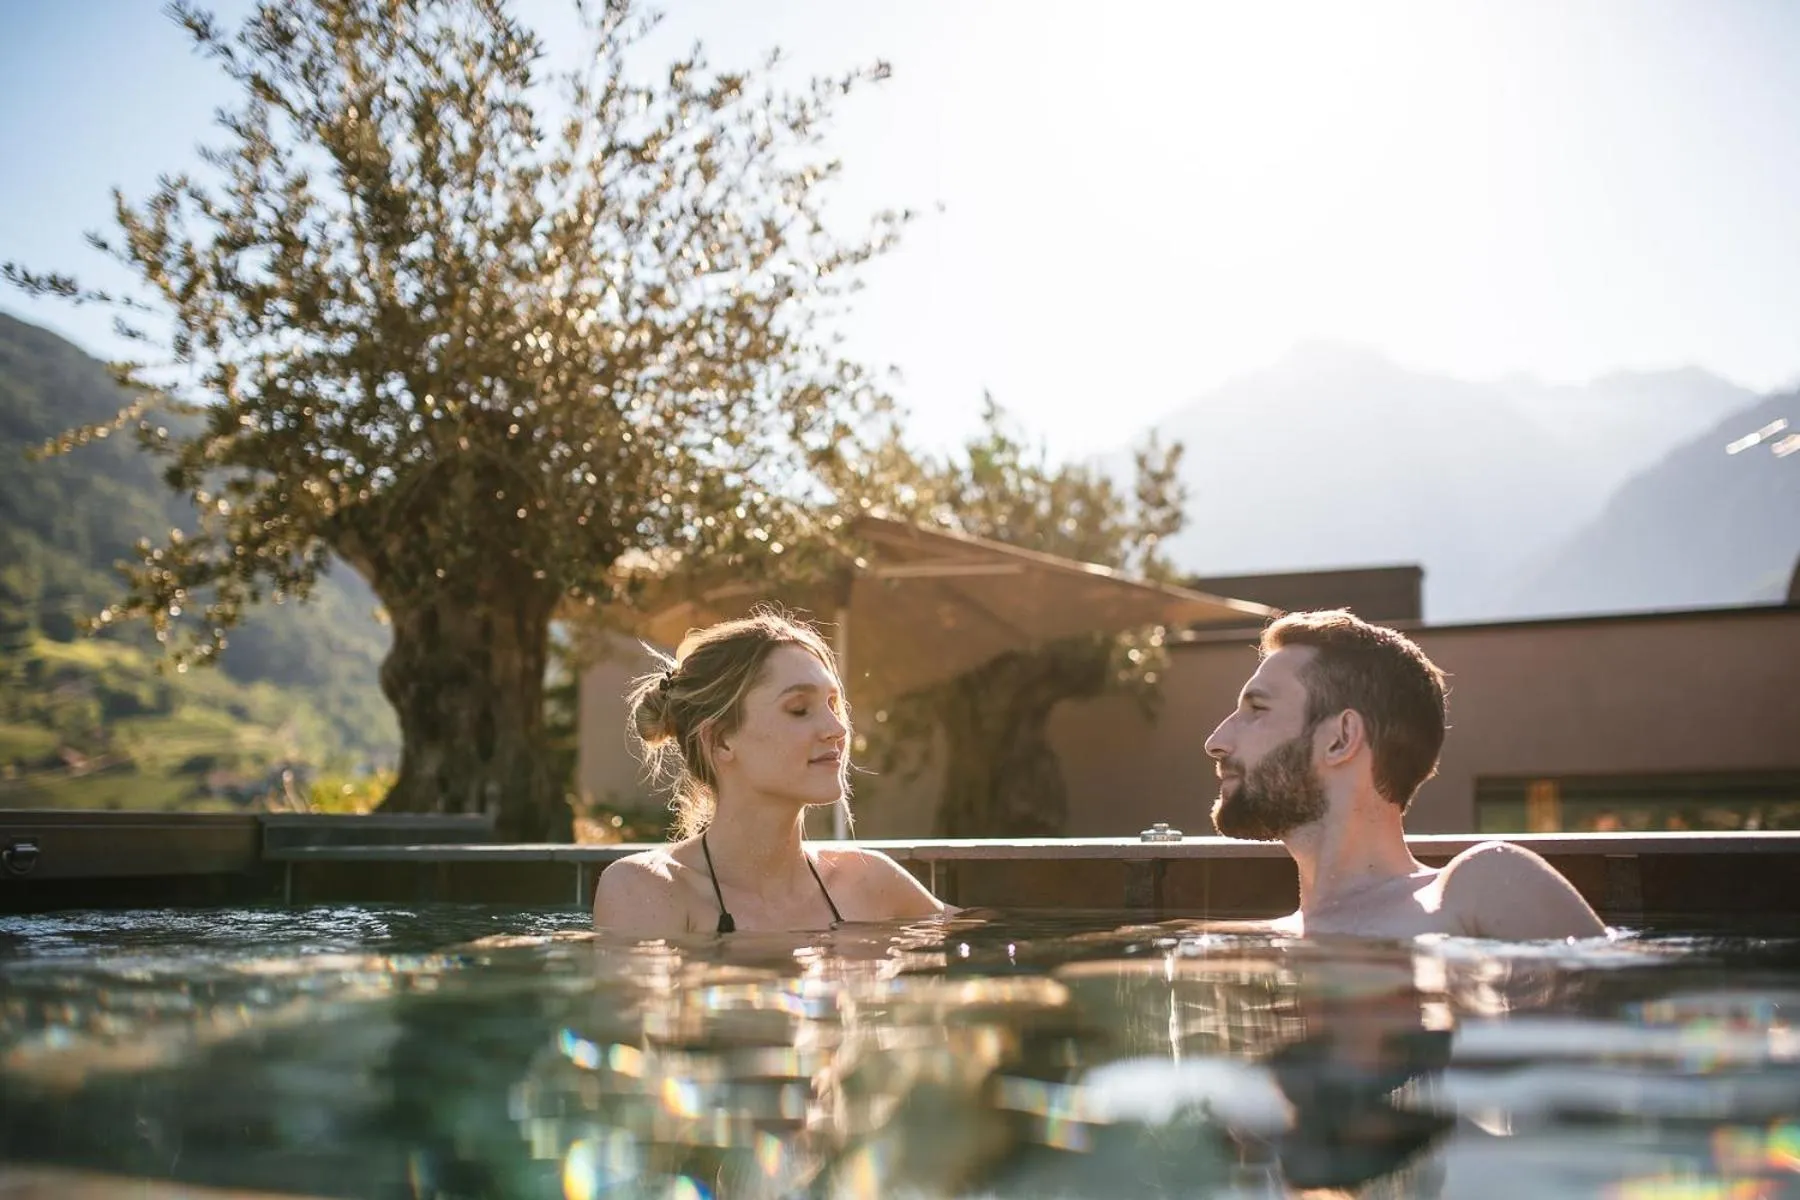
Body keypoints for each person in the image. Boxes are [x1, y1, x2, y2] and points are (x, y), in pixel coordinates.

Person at [1202, 609, 1607, 940]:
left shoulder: (1478, 890)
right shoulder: (1251, 943)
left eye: (1256, 709)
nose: (1216, 741)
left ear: (1341, 739)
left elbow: (1614, 1028)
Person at [592, 609, 949, 936]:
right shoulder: (648, 889)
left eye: (833, 704)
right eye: (798, 709)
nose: (837, 729)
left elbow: (987, 947)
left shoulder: (870, 882)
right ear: (720, 741)